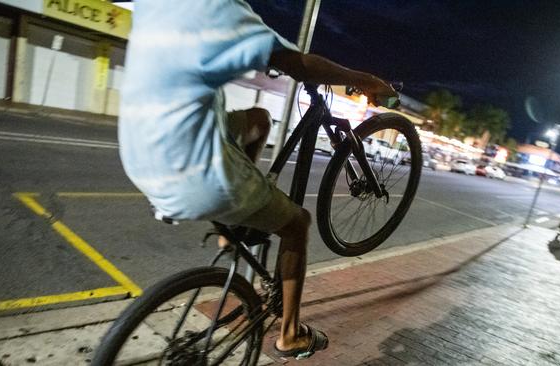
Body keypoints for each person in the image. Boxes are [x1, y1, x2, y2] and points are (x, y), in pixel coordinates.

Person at [118, 0, 396, 359]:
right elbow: (298, 64)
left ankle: (230, 229)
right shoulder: (219, 7)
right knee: (298, 223)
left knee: (259, 120)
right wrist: (366, 80)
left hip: (140, 153)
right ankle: (290, 334)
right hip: (195, 171)